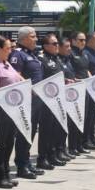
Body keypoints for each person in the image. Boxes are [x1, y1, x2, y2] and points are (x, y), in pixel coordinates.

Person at [8, 26, 45, 180]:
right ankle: (21, 165)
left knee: (31, 131)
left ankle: (27, 161)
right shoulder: (18, 55)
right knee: (24, 132)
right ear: (23, 38)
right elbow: (16, 75)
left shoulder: (32, 55)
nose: (36, 39)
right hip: (26, 100)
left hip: (37, 99)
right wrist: (28, 88)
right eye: (33, 36)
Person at [0, 35, 21, 189]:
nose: (10, 51)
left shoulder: (6, 64)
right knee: (0, 144)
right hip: (0, 110)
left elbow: (18, 79)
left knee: (9, 142)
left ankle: (6, 174)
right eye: (7, 48)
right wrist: (6, 91)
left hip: (11, 109)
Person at [38, 34, 68, 168]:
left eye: (57, 43)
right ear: (45, 46)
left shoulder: (57, 59)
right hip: (46, 101)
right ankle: (42, 158)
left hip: (58, 100)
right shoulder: (42, 59)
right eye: (54, 44)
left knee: (55, 130)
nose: (57, 46)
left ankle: (52, 155)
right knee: (46, 131)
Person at [69, 32, 95, 152]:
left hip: (86, 87)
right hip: (75, 89)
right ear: (73, 41)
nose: (83, 42)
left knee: (84, 117)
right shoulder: (71, 53)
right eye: (80, 40)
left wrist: (91, 78)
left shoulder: (85, 53)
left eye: (84, 40)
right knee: (75, 118)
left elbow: (86, 69)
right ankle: (73, 146)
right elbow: (69, 71)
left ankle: (80, 144)